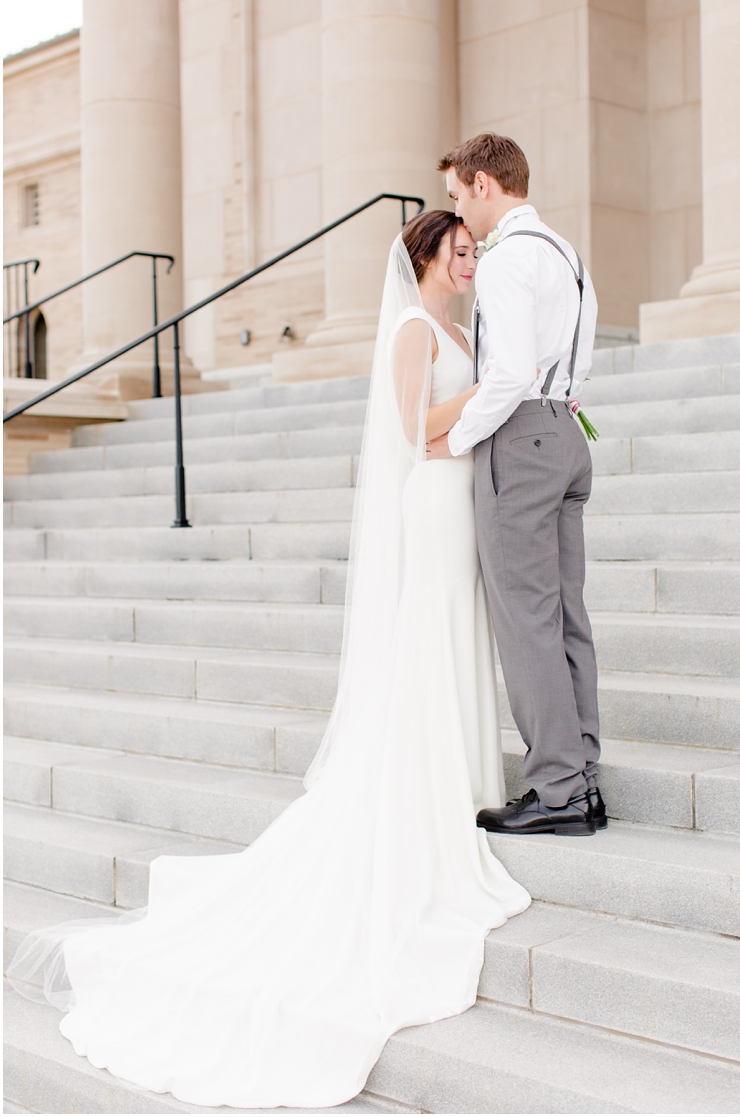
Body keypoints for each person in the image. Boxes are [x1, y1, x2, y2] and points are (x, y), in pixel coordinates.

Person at [8, 210, 530, 1110]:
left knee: (461, 638)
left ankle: (467, 779)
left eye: (475, 248)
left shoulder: (461, 326)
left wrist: (478, 413)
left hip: (463, 503)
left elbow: (447, 428)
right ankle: (434, 791)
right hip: (432, 505)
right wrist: (487, 404)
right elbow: (411, 430)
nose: (473, 258)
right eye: (462, 249)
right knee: (431, 641)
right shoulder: (413, 328)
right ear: (428, 258)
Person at [428, 132, 607, 837]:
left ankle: (557, 789)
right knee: (565, 615)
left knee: (526, 618)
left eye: (456, 197)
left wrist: (458, 439)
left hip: (523, 439)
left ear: (481, 183)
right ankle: (582, 778)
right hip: (567, 429)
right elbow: (574, 358)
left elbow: (506, 376)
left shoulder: (504, 260)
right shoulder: (567, 254)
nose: (458, 215)